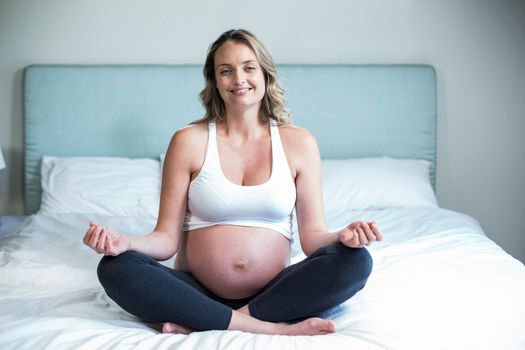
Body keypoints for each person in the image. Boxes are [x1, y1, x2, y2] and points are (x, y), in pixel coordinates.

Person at [83, 29, 383, 336]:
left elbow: (312, 238)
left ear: (265, 76)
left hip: (273, 294)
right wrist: (126, 243)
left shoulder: (299, 143)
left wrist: (343, 237)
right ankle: (271, 330)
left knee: (355, 262)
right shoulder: (189, 141)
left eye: (249, 68)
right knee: (115, 267)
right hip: (194, 292)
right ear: (215, 82)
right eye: (226, 71)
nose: (239, 79)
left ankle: (211, 320)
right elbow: (165, 240)